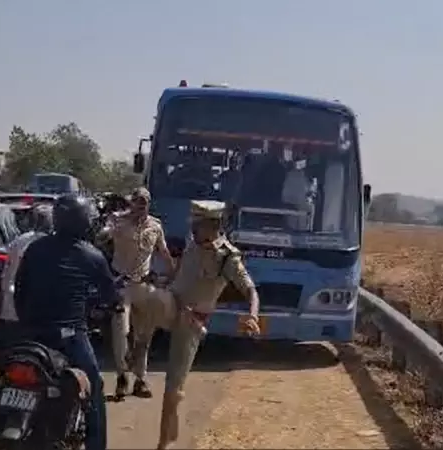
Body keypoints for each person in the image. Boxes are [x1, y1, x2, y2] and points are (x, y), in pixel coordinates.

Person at [147, 200, 261, 450]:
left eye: (198, 225)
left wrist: (253, 316)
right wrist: (166, 280)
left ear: (213, 225)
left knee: (172, 390)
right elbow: (182, 275)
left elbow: (250, 289)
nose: (193, 229)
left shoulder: (227, 258)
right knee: (142, 297)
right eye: (193, 224)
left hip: (191, 321)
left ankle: (165, 441)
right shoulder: (192, 245)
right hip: (171, 305)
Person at [14, 194, 117, 450]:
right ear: (83, 221)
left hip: (30, 335)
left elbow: (20, 292)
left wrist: (27, 322)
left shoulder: (35, 248)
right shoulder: (92, 255)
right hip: (69, 337)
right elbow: (110, 296)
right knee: (94, 385)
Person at [99, 187, 174, 399]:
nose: (140, 206)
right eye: (137, 201)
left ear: (149, 204)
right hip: (121, 285)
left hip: (143, 286)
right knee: (121, 333)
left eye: (144, 202)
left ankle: (140, 380)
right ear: (131, 202)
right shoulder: (118, 221)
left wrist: (172, 275)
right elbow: (102, 236)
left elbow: (164, 253)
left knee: (144, 336)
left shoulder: (155, 226)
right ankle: (123, 376)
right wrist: (107, 227)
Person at [0, 204, 54, 343]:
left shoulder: (20, 240)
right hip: (37, 312)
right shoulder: (52, 245)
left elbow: (6, 269)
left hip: (12, 308)